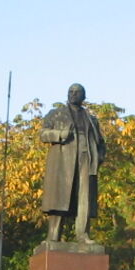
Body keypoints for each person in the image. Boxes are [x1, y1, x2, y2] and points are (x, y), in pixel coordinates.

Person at [40, 83, 106, 243]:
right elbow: (43, 134)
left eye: (77, 92)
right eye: (71, 92)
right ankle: (53, 236)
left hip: (86, 158)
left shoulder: (91, 119)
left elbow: (101, 143)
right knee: (60, 197)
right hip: (64, 160)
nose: (73, 94)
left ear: (84, 97)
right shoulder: (56, 114)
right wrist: (60, 134)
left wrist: (98, 158)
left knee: (84, 198)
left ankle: (83, 235)